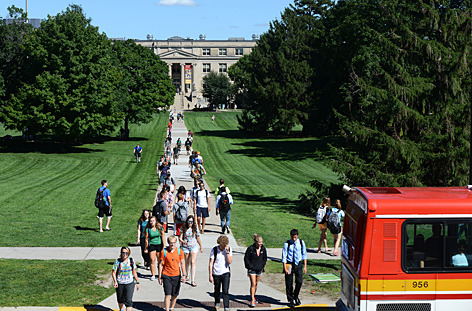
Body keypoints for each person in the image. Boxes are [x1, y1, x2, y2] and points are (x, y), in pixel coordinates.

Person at [159, 235, 187, 311]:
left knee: (174, 295)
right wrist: (159, 276)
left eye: (174, 243)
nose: (172, 244)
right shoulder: (164, 251)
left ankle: (172, 308)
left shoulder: (179, 251)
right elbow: (161, 264)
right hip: (166, 275)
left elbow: (182, 263)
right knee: (167, 294)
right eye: (171, 243)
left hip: (176, 275)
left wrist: (184, 275)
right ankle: (167, 309)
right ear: (168, 243)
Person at [282, 229, 307, 307]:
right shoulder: (287, 244)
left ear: (298, 235)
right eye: (292, 237)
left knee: (299, 281)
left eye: (295, 237)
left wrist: (305, 266)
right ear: (290, 236)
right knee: (289, 283)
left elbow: (304, 254)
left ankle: (296, 296)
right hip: (289, 264)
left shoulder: (301, 243)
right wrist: (285, 268)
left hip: (298, 264)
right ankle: (290, 299)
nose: (294, 239)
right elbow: (284, 257)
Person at [209, 235, 233, 311]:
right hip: (216, 273)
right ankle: (217, 303)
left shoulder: (228, 249)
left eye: (224, 245)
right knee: (217, 290)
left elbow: (230, 262)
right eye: (222, 245)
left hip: (225, 272)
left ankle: (226, 307)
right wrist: (210, 275)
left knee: (225, 291)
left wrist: (227, 252)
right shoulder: (214, 250)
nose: (223, 247)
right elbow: (210, 263)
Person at [112, 246, 140, 311]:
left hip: (129, 283)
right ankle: (121, 309)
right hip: (120, 283)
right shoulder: (117, 262)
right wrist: (115, 282)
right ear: (121, 253)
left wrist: (137, 282)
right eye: (123, 253)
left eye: (126, 253)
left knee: (129, 301)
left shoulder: (131, 261)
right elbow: (113, 272)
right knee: (120, 300)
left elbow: (134, 272)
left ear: (129, 253)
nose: (124, 254)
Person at [244, 234, 267, 307]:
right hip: (252, 269)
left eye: (261, 242)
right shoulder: (250, 249)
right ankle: (252, 300)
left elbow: (264, 258)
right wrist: (249, 266)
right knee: (253, 284)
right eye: (259, 242)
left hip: (259, 269)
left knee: (256, 284)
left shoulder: (263, 249)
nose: (260, 244)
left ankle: (253, 296)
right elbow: (246, 258)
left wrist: (262, 265)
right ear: (255, 242)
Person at [179, 215, 203, 287]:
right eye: (189, 221)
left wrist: (201, 246)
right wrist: (183, 242)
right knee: (187, 262)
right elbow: (180, 238)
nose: (190, 223)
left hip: (194, 246)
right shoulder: (183, 228)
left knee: (193, 262)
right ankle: (187, 275)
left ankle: (193, 280)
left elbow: (198, 237)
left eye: (191, 222)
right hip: (186, 247)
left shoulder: (195, 228)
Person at [144, 216, 165, 281]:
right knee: (152, 260)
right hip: (152, 245)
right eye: (151, 221)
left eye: (153, 221)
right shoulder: (148, 229)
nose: (152, 222)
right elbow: (146, 239)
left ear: (156, 221)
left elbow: (163, 237)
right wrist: (146, 248)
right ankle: (153, 275)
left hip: (159, 244)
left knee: (160, 260)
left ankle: (160, 274)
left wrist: (164, 246)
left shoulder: (160, 228)